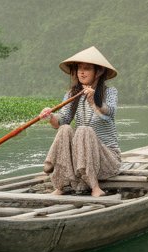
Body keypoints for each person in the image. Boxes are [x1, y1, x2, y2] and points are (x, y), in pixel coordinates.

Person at [38, 46, 120, 197]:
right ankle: (61, 184)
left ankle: (95, 187)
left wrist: (93, 102)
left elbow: (109, 112)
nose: (81, 72)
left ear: (99, 71)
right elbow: (61, 122)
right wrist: (50, 117)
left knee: (83, 130)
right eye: (79, 69)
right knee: (65, 129)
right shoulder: (71, 94)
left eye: (87, 68)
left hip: (107, 160)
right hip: (80, 159)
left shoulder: (109, 92)